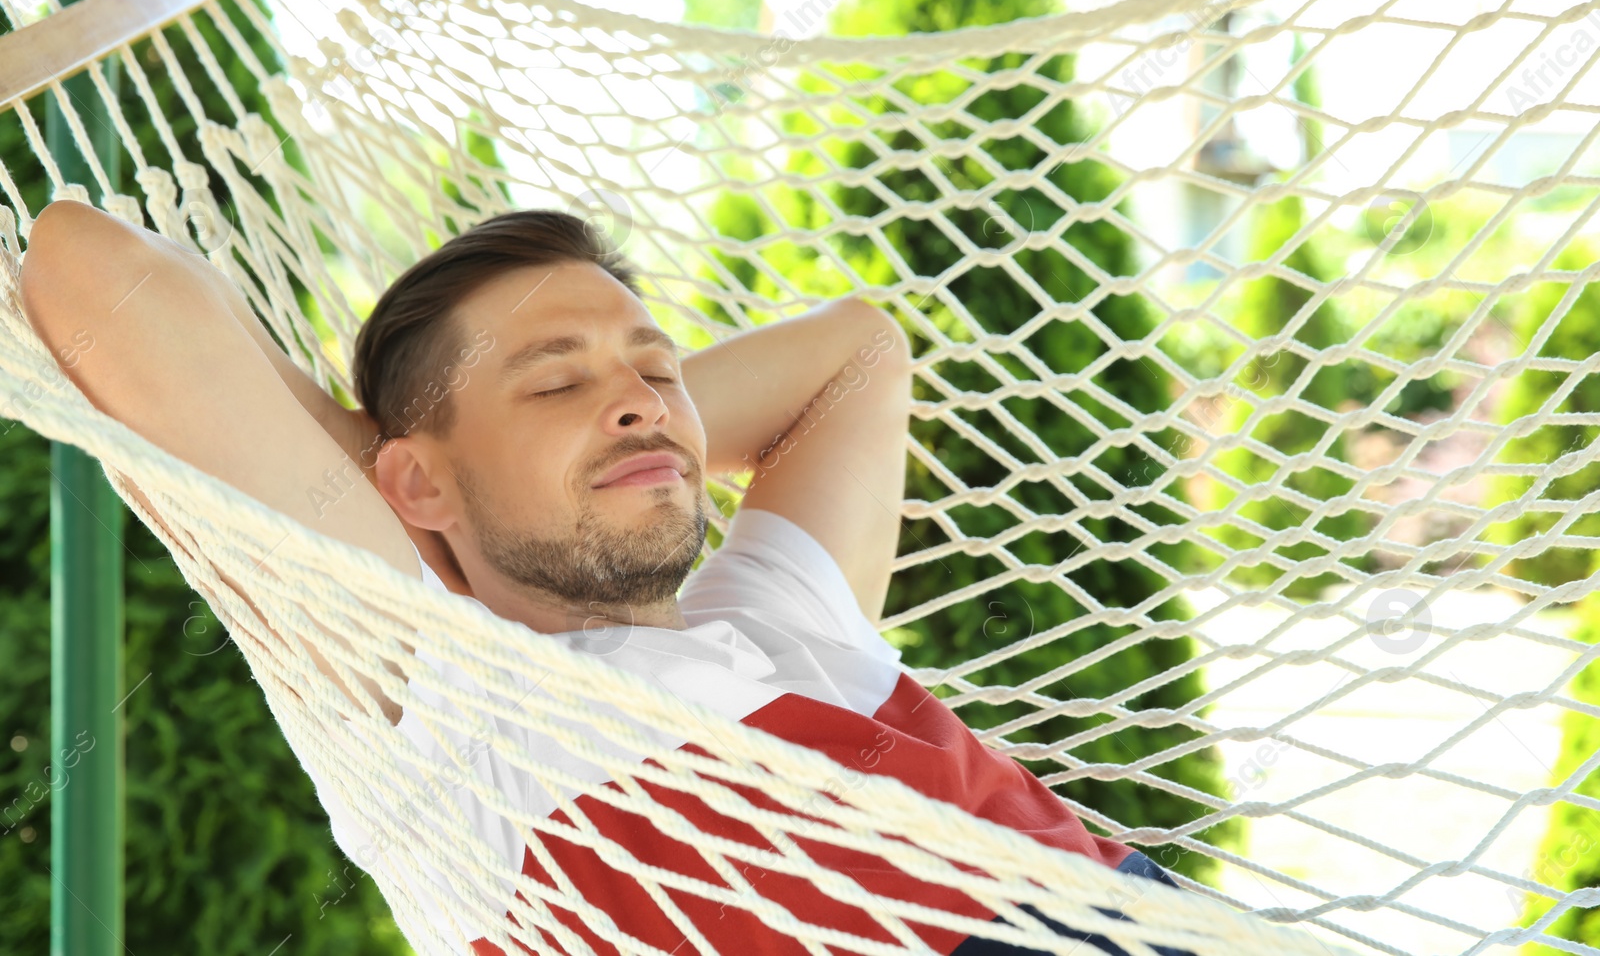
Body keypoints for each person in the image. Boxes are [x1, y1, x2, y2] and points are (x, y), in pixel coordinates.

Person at [20, 202, 1192, 956]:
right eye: (552, 380)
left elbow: (856, 354)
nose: (639, 395)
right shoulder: (461, 710)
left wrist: (601, 446)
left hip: (1149, 922)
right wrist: (422, 488)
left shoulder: (786, 625)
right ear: (407, 487)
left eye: (656, 367)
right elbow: (92, 273)